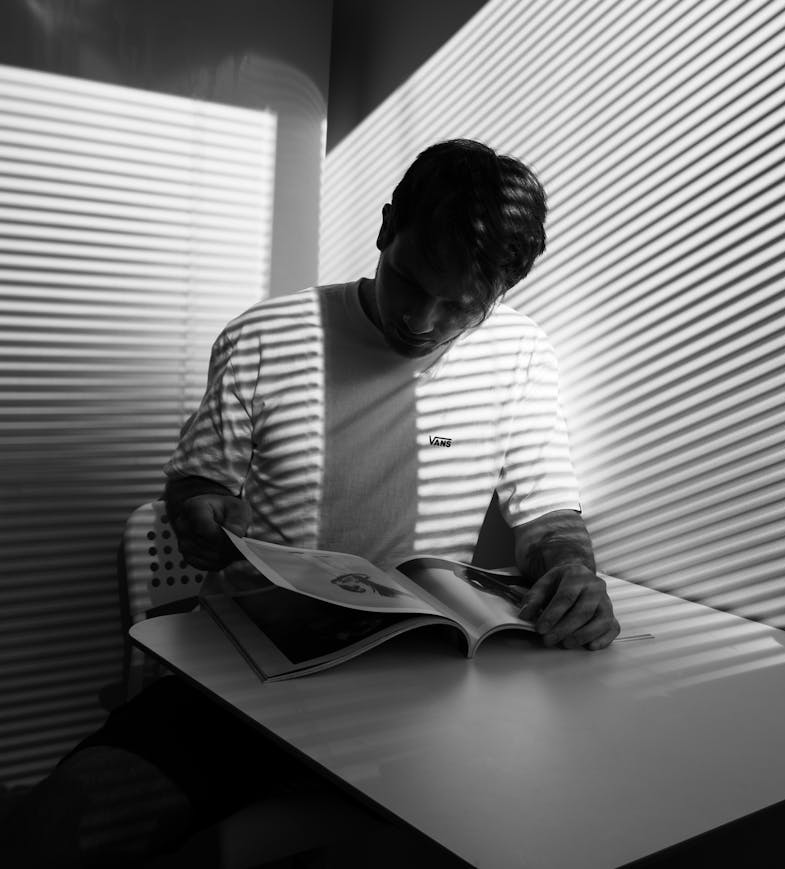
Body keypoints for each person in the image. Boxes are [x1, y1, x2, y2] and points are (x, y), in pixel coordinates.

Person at [0, 139, 619, 867]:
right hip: (249, 671)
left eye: (461, 306)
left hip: (423, 684)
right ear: (387, 228)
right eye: (410, 281)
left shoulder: (521, 354)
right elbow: (197, 485)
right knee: (64, 831)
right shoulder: (267, 334)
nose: (423, 320)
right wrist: (199, 512)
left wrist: (574, 573)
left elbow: (548, 518)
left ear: (501, 294)